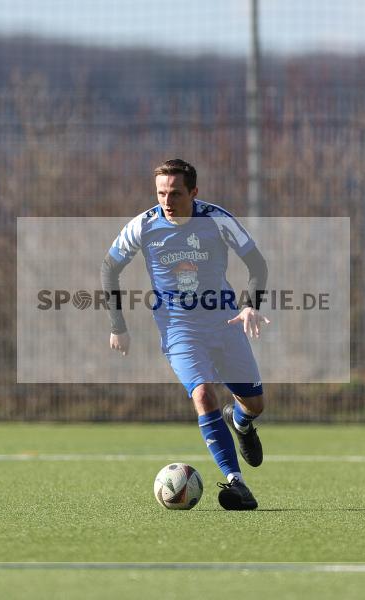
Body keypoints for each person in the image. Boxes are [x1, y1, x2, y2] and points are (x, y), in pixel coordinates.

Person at [101, 159, 270, 510]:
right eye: (161, 192)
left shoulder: (217, 220)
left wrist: (250, 304)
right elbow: (109, 267)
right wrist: (118, 325)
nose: (166, 200)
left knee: (254, 404)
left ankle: (240, 422)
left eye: (175, 193)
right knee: (204, 393)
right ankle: (237, 483)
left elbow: (257, 263)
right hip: (178, 328)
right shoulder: (143, 226)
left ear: (193, 192)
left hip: (225, 324)